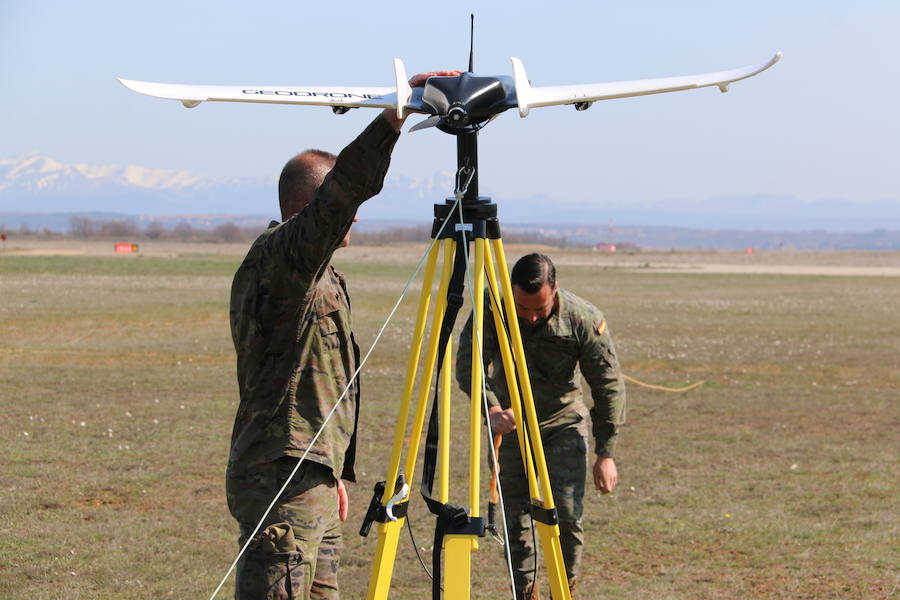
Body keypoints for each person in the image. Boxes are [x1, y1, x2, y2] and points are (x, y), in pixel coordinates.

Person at [226, 70, 461, 600]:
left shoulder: (316, 272)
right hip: (282, 477)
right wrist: (393, 118)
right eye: (345, 211)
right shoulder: (282, 261)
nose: (352, 220)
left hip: (311, 472)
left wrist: (331, 472)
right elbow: (343, 191)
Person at [456, 252, 626, 600]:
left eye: (540, 308)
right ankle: (526, 593)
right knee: (515, 520)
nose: (531, 316)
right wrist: (492, 408)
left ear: (555, 289)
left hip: (561, 424)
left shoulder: (582, 318)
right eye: (523, 307)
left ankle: (564, 591)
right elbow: (468, 364)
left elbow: (607, 385)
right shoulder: (494, 310)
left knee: (566, 515)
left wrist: (605, 453)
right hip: (511, 428)